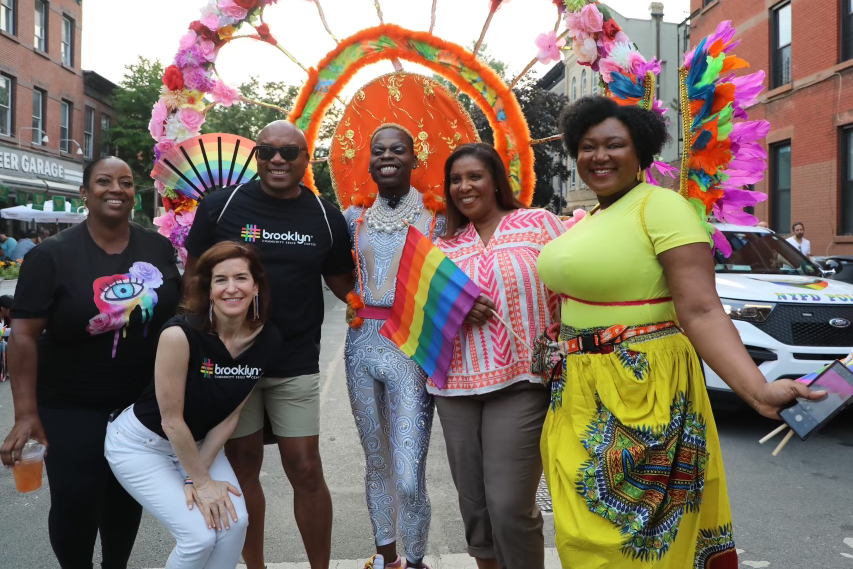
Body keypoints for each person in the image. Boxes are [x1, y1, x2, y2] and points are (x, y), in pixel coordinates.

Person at [535, 96, 823, 568]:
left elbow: (703, 309)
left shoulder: (662, 207)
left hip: (644, 387)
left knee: (640, 543)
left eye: (614, 145)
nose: (599, 156)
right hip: (579, 390)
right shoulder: (591, 217)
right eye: (587, 146)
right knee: (582, 535)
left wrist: (757, 391)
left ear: (642, 153)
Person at [184, 120, 354, 569]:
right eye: (267, 151)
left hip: (293, 359)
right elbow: (194, 277)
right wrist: (190, 341)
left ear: (307, 159)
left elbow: (347, 286)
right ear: (256, 156)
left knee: (305, 468)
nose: (278, 159)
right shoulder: (221, 206)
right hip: (230, 360)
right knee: (243, 470)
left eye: (289, 152)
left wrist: (396, 301)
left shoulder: (324, 215)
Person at [0, 156, 182, 568]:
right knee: (75, 501)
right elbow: (24, 336)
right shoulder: (51, 256)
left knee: (124, 498)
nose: (116, 189)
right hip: (69, 402)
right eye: (104, 181)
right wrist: (25, 414)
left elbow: (179, 310)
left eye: (126, 182)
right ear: (85, 192)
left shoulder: (156, 247)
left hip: (138, 404)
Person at [105, 241, 281, 569]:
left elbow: (231, 413)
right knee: (198, 537)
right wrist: (200, 482)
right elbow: (171, 421)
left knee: (235, 524)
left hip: (199, 445)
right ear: (208, 289)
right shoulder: (180, 334)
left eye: (241, 278)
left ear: (256, 286)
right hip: (142, 446)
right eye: (221, 280)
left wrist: (194, 474)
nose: (232, 289)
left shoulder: (266, 338)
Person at [431, 143, 564, 569]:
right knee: (475, 505)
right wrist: (454, 308)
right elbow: (423, 319)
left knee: (509, 504)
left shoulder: (538, 224)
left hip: (523, 381)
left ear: (496, 181)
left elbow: (571, 286)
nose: (464, 187)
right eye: (455, 180)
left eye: (474, 176)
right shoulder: (444, 247)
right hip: (455, 386)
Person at [343, 124, 443, 569]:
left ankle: (416, 559)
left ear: (413, 158)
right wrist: (351, 300)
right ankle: (387, 558)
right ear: (369, 159)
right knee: (376, 462)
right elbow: (334, 270)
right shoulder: (353, 217)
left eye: (397, 150)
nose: (387, 156)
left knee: (407, 473)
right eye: (378, 149)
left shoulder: (438, 215)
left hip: (410, 346)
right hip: (361, 345)